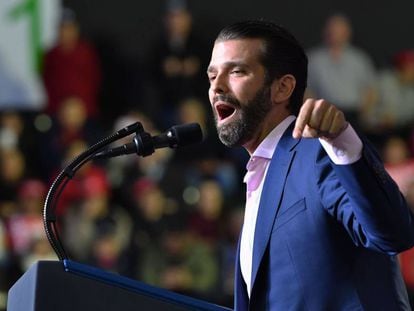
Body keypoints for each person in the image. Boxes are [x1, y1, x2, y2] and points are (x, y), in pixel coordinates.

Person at [206, 20, 414, 310]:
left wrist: (345, 145)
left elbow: (392, 233)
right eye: (212, 76)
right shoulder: (261, 172)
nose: (217, 87)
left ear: (282, 88)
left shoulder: (318, 153)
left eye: (237, 71)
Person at [306, 14, 376, 130]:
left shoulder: (359, 59)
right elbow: (308, 90)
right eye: (332, 30)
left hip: (354, 114)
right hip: (325, 114)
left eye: (339, 30)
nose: (335, 34)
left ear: (347, 33)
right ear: (326, 32)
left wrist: (364, 114)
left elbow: (370, 90)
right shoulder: (314, 59)